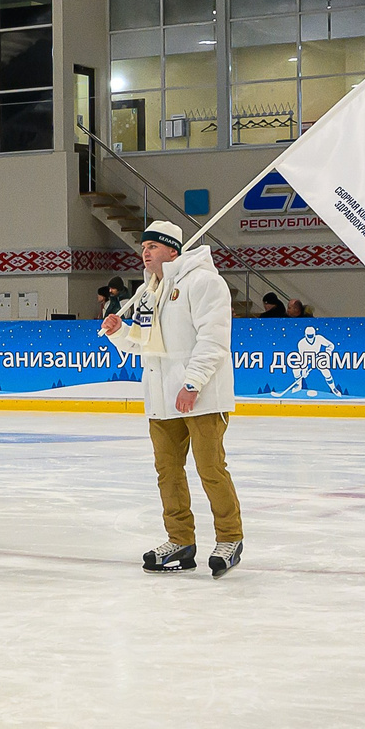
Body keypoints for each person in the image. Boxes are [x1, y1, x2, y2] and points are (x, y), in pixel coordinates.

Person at [101, 219, 242, 576]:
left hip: (202, 396)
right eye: (143, 247)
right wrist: (121, 333)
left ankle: (229, 537)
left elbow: (214, 339)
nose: (144, 253)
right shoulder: (149, 291)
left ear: (172, 250)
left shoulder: (205, 282)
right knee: (168, 472)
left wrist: (192, 384)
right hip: (162, 398)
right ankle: (180, 540)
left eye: (152, 247)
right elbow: (147, 345)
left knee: (210, 468)